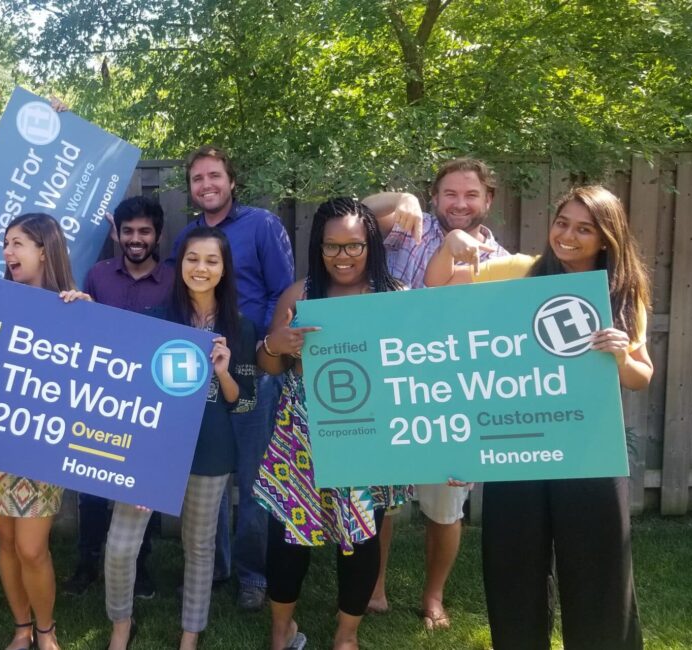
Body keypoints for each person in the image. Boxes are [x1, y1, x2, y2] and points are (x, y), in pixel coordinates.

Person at [424, 185, 651, 649]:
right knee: (513, 574)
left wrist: (619, 357)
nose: (567, 235)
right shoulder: (520, 272)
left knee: (599, 576)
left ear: (606, 238)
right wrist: (451, 245)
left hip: (589, 452)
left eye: (584, 229)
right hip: (518, 450)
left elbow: (640, 374)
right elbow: (437, 292)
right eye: (562, 222)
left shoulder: (622, 292)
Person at [253, 198, 410, 650]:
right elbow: (269, 366)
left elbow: (418, 369)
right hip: (302, 433)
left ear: (372, 244)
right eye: (331, 247)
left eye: (354, 247)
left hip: (369, 431)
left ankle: (346, 636)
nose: (343, 257)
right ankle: (281, 630)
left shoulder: (393, 297)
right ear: (318, 248)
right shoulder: (300, 295)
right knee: (289, 536)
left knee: (362, 535)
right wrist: (275, 342)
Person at [371, 158, 509, 628]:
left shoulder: (505, 260)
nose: (460, 204)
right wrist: (399, 199)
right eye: (450, 194)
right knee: (380, 498)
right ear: (435, 196)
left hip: (455, 397)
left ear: (488, 200)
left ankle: (433, 597)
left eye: (471, 195)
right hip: (391, 383)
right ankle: (375, 588)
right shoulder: (407, 228)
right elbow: (354, 214)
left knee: (446, 507)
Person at [104, 227, 256, 650]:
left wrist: (223, 371)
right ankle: (121, 625)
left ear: (224, 269)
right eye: (193, 259)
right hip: (150, 451)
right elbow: (124, 380)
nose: (201, 268)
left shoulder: (240, 328)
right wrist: (79, 308)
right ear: (179, 265)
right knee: (119, 546)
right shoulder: (155, 320)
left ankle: (190, 634)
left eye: (212, 260)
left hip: (210, 451)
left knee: (199, 546)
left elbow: (242, 404)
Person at [171, 146, 294, 611]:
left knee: (253, 476)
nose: (207, 184)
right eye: (198, 178)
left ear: (231, 181)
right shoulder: (190, 238)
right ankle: (214, 566)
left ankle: (252, 574)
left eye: (215, 176)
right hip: (202, 376)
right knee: (210, 470)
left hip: (255, 369)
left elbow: (286, 291)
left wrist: (271, 353)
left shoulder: (261, 225)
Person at [0, 212, 89, 650]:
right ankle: (21, 627)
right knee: (6, 541)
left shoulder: (73, 306)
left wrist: (87, 320)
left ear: (44, 250)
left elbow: (93, 375)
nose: (7, 252)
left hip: (43, 444)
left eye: (17, 243)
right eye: (6, 244)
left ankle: (46, 630)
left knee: (31, 548)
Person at [65, 196, 173, 598]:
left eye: (144, 231)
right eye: (128, 231)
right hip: (100, 399)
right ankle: (86, 563)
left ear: (157, 235)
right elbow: (84, 332)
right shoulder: (97, 275)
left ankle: (139, 567)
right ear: (118, 234)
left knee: (141, 489)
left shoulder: (173, 280)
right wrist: (80, 307)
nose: (136, 239)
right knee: (90, 489)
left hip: (149, 403)